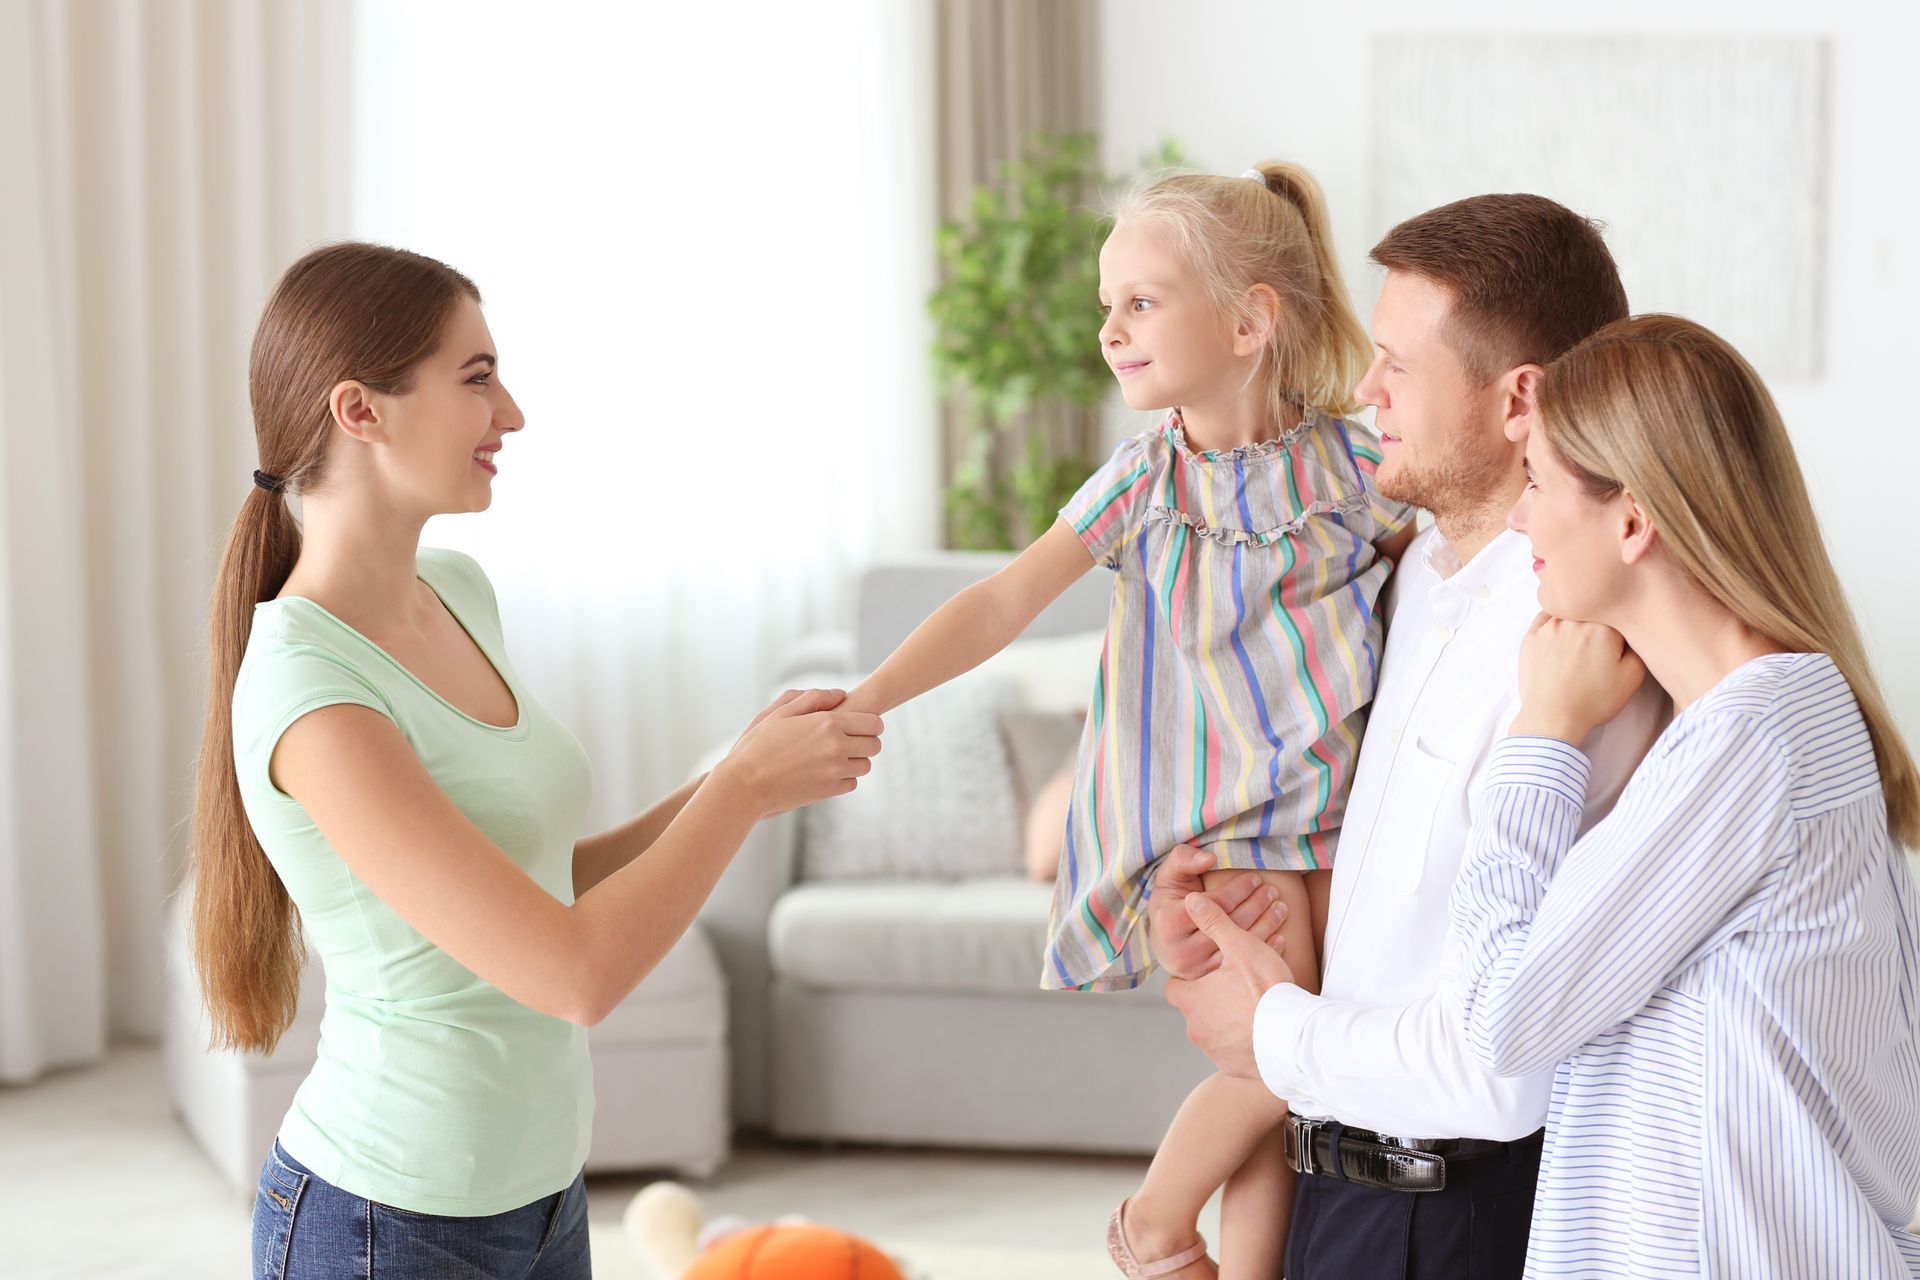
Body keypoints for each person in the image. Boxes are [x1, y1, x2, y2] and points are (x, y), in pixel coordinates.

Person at [190, 242, 882, 1278]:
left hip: (544, 1192)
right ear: (360, 409)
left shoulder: (458, 590)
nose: (511, 413)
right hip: (386, 1218)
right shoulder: (310, 689)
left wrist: (737, 770)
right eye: (476, 378)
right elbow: (574, 972)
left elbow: (541, 884)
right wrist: (739, 794)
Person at [843, 163, 1414, 1280]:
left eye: (1139, 301)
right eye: (1108, 306)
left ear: (1251, 319)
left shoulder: (1356, 470)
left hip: (1330, 833)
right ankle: (1154, 1225)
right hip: (1208, 847)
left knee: (1296, 1091)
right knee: (1279, 1070)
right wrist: (869, 700)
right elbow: (1000, 601)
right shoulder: (1142, 484)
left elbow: (1455, 582)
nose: (1110, 329)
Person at [1153, 194, 1669, 1279]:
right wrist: (1246, 920)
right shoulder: (1398, 582)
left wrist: (1274, 1030)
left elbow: (1507, 1054)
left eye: (1397, 365)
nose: (1364, 392)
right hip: (1326, 1185)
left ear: (1517, 396)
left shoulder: (1583, 649)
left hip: (1460, 1216)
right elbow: (1391, 908)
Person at [1445, 313, 1920, 1277]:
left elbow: (1504, 1018)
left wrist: (1543, 731)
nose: (1518, 517)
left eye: (1535, 480)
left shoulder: (1750, 737)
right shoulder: (1768, 717)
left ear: (1631, 520)